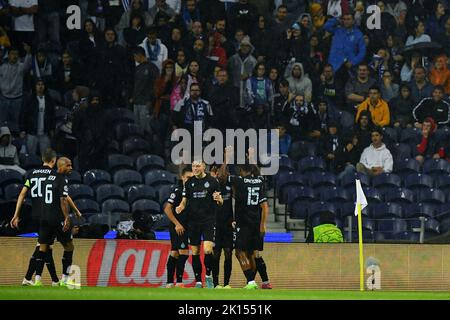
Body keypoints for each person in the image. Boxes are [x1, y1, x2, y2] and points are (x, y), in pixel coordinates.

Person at [219, 147, 269, 289]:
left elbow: (222, 177)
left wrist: (226, 159)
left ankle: (251, 282)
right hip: (256, 223)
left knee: (239, 252)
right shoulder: (259, 181)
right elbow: (258, 174)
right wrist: (252, 158)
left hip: (243, 223)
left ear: (241, 171)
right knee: (252, 253)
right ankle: (257, 282)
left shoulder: (239, 181)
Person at [175, 160, 223, 289]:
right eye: (193, 166)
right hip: (193, 221)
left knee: (207, 249)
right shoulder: (189, 183)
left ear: (203, 167)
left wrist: (219, 200)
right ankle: (198, 281)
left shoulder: (213, 181)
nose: (195, 168)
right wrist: (180, 206)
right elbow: (184, 201)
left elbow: (220, 200)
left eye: (198, 166)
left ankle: (208, 277)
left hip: (208, 220)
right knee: (195, 252)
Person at [163, 166, 193, 288]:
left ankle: (170, 282)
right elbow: (167, 209)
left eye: (192, 178)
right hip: (178, 227)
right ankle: (179, 281)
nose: (190, 180)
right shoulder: (178, 191)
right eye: (188, 178)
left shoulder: (192, 192)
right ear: (182, 177)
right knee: (184, 253)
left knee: (175, 253)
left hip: (185, 226)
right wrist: (177, 224)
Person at [324, 12, 366, 85]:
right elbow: (326, 26)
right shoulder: (337, 30)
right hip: (334, 66)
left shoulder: (358, 34)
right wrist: (337, 19)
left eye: (348, 19)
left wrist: (353, 62)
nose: (346, 21)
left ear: (353, 21)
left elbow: (362, 52)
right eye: (344, 19)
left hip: (349, 67)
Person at [210, 165, 234, 289]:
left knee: (228, 253)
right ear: (216, 173)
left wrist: (235, 219)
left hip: (228, 225)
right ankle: (215, 283)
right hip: (215, 225)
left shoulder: (231, 187)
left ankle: (226, 284)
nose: (224, 174)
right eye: (221, 171)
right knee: (216, 254)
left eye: (226, 171)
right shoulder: (212, 187)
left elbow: (237, 203)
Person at [0, 44, 32, 132]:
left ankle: (14, 139)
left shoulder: (21, 67)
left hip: (17, 99)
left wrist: (28, 53)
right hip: (3, 98)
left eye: (16, 54)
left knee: (15, 122)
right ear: (8, 55)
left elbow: (28, 64)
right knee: (2, 122)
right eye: (12, 54)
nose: (15, 56)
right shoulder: (2, 67)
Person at [20, 79, 55, 156]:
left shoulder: (49, 100)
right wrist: (23, 129)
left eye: (42, 84)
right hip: (32, 132)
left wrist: (52, 128)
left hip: (45, 133)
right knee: (31, 155)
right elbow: (23, 115)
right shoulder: (29, 99)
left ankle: (45, 168)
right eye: (38, 84)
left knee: (46, 157)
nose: (40, 86)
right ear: (35, 86)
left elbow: (52, 115)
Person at [130, 47, 159, 131]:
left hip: (146, 103)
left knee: (146, 128)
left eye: (135, 56)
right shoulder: (137, 68)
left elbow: (155, 85)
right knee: (137, 128)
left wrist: (150, 99)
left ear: (139, 55)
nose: (135, 59)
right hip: (136, 102)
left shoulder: (152, 68)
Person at [227, 36, 257, 109]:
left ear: (250, 47)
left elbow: (256, 75)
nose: (244, 48)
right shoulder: (233, 59)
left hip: (247, 91)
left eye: (247, 46)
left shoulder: (253, 61)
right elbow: (229, 72)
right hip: (234, 89)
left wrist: (249, 75)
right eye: (243, 45)